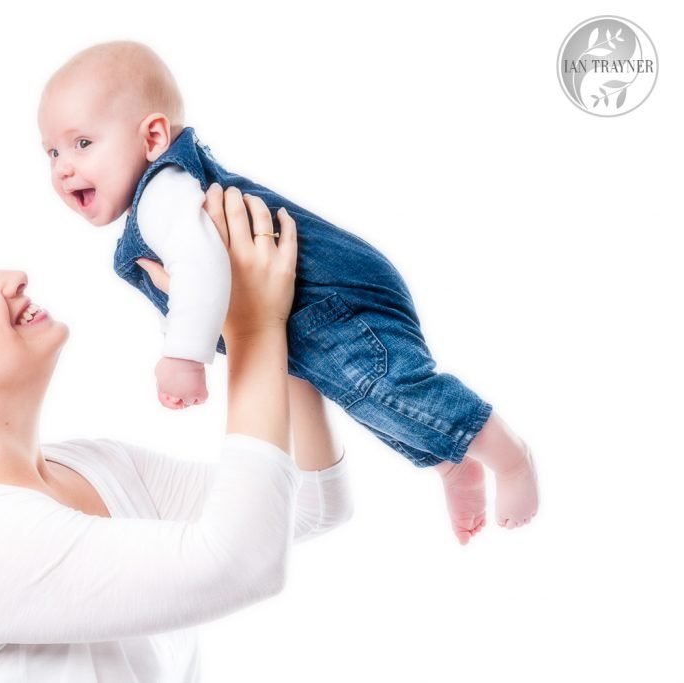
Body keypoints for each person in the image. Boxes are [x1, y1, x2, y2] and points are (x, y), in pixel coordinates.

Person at [0, 187, 353, 681]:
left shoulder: (98, 466)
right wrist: (255, 325)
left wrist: (282, 322)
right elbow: (241, 562)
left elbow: (308, 506)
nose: (14, 276)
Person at [37, 40, 539, 544]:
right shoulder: (163, 197)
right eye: (52, 151)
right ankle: (452, 465)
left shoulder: (161, 192)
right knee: (362, 395)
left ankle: (511, 458)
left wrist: (184, 354)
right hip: (315, 312)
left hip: (331, 299)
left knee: (384, 386)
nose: (63, 167)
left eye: (82, 144)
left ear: (152, 136)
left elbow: (201, 267)